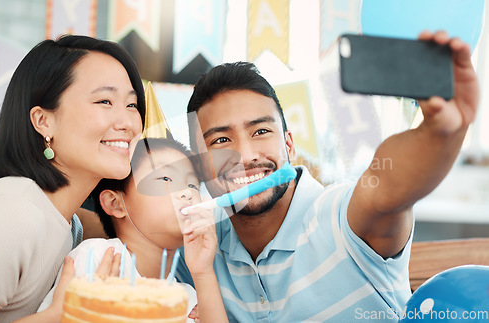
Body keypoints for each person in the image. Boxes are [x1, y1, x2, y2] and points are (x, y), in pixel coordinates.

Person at [176, 30, 479, 322]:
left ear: (289, 145)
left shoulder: (339, 218)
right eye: (220, 141)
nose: (245, 156)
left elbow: (386, 190)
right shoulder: (200, 250)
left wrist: (439, 133)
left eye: (261, 131)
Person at [0, 35, 145, 322]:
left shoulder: (69, 222)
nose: (127, 123)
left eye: (132, 105)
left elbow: (141, 235)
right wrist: (61, 317)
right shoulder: (12, 212)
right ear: (43, 121)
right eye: (104, 101)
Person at [39, 137, 228, 323]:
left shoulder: (188, 297)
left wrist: (203, 272)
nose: (187, 193)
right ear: (116, 204)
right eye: (165, 178)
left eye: (192, 184)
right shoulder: (98, 258)